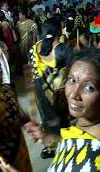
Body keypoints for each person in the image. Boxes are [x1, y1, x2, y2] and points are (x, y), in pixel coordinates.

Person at [4, 48, 100, 172]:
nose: (73, 94)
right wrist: (46, 137)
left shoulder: (94, 161)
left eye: (89, 87)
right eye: (72, 80)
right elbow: (75, 145)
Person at [28, 17, 71, 159]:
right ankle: (63, 147)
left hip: (39, 90)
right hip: (56, 93)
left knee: (47, 118)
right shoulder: (62, 50)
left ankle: (49, 147)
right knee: (61, 119)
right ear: (59, 30)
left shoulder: (35, 47)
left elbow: (31, 68)